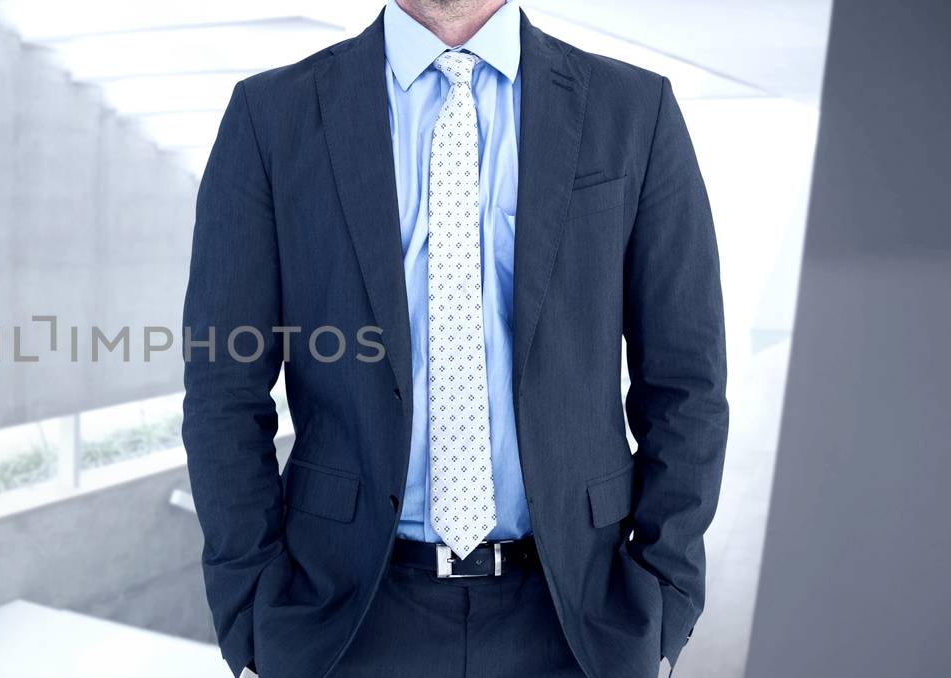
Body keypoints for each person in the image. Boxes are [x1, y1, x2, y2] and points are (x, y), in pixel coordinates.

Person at [180, 0, 727, 676]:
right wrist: (250, 607)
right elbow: (221, 387)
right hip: (342, 622)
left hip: (578, 621)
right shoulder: (271, 117)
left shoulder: (635, 111)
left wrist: (664, 596)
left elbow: (686, 382)